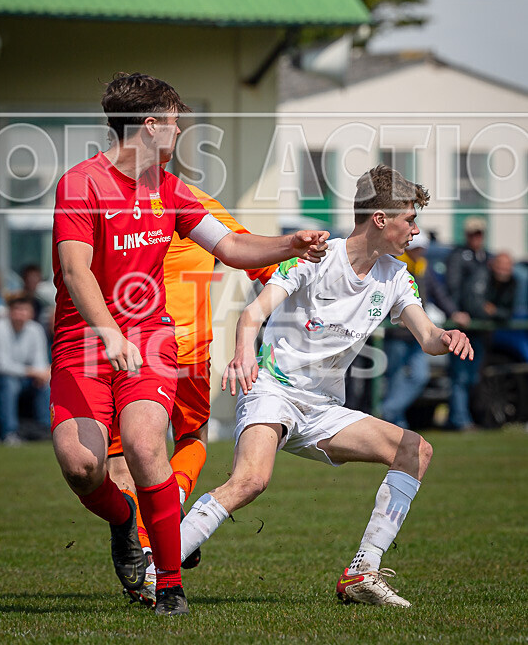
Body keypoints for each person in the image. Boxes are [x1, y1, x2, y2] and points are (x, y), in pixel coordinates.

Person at [50, 72, 328, 617]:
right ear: (149, 125)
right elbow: (74, 269)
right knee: (81, 465)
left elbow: (229, 246)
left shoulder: (172, 190)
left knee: (145, 446)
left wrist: (288, 243)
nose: (180, 130)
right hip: (83, 339)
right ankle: (126, 517)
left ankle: (170, 584)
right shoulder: (80, 184)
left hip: (151, 337)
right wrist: (107, 331)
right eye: (174, 121)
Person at [180, 164, 473, 608]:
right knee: (250, 481)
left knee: (415, 450)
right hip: (274, 390)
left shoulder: (394, 276)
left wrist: (448, 337)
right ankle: (158, 567)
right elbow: (252, 313)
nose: (415, 229)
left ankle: (362, 572)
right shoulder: (316, 256)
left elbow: (428, 337)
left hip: (323, 410)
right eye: (409, 219)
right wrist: (243, 353)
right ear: (380, 218)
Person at [106, 184, 277, 605]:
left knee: (119, 458)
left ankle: (147, 542)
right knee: (190, 440)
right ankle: (170, 506)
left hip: (130, 345)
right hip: (186, 349)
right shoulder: (193, 198)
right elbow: (253, 256)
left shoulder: (105, 200)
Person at [381, 231, 469, 428]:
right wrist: (396, 317)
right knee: (395, 378)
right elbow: (384, 297)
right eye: (416, 248)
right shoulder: (394, 267)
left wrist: (454, 313)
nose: (420, 252)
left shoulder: (423, 268)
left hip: (417, 335)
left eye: (421, 249)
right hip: (397, 334)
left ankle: (387, 412)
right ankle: (396, 421)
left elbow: (439, 294)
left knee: (419, 376)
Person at [0, 295, 51, 444]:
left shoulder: (36, 329)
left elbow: (40, 361)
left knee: (44, 384)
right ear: (10, 312)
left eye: (24, 310)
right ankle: (9, 433)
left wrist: (40, 374)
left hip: (23, 376)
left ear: (31, 312)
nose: (21, 313)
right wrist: (33, 372)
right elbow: (2, 366)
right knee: (10, 384)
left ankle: (45, 429)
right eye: (17, 309)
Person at [445, 216, 490, 430]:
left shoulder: (485, 258)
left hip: (480, 327)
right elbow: (452, 287)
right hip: (463, 326)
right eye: (473, 233)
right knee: (460, 376)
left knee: (472, 376)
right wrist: (456, 313)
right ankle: (459, 419)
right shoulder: (458, 256)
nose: (476, 238)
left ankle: (464, 417)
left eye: (479, 233)